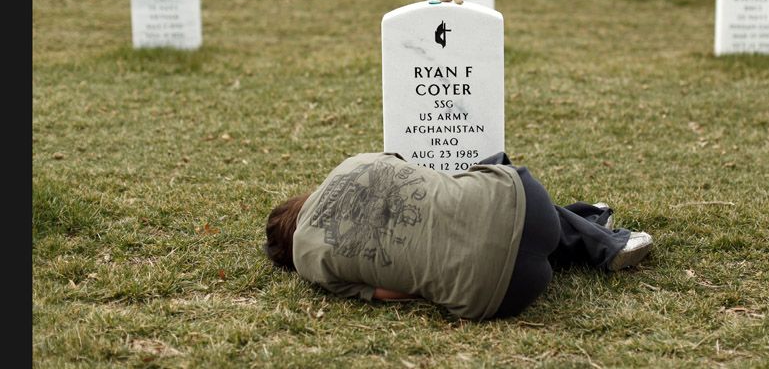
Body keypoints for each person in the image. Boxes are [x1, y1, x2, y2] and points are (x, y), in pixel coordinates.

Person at [264, 151, 654, 321]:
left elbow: (395, 294)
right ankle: (596, 228)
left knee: (504, 241)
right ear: (301, 200)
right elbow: (424, 176)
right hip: (529, 209)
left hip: (498, 294)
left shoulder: (308, 263)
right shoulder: (349, 166)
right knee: (492, 169)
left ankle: (590, 224)